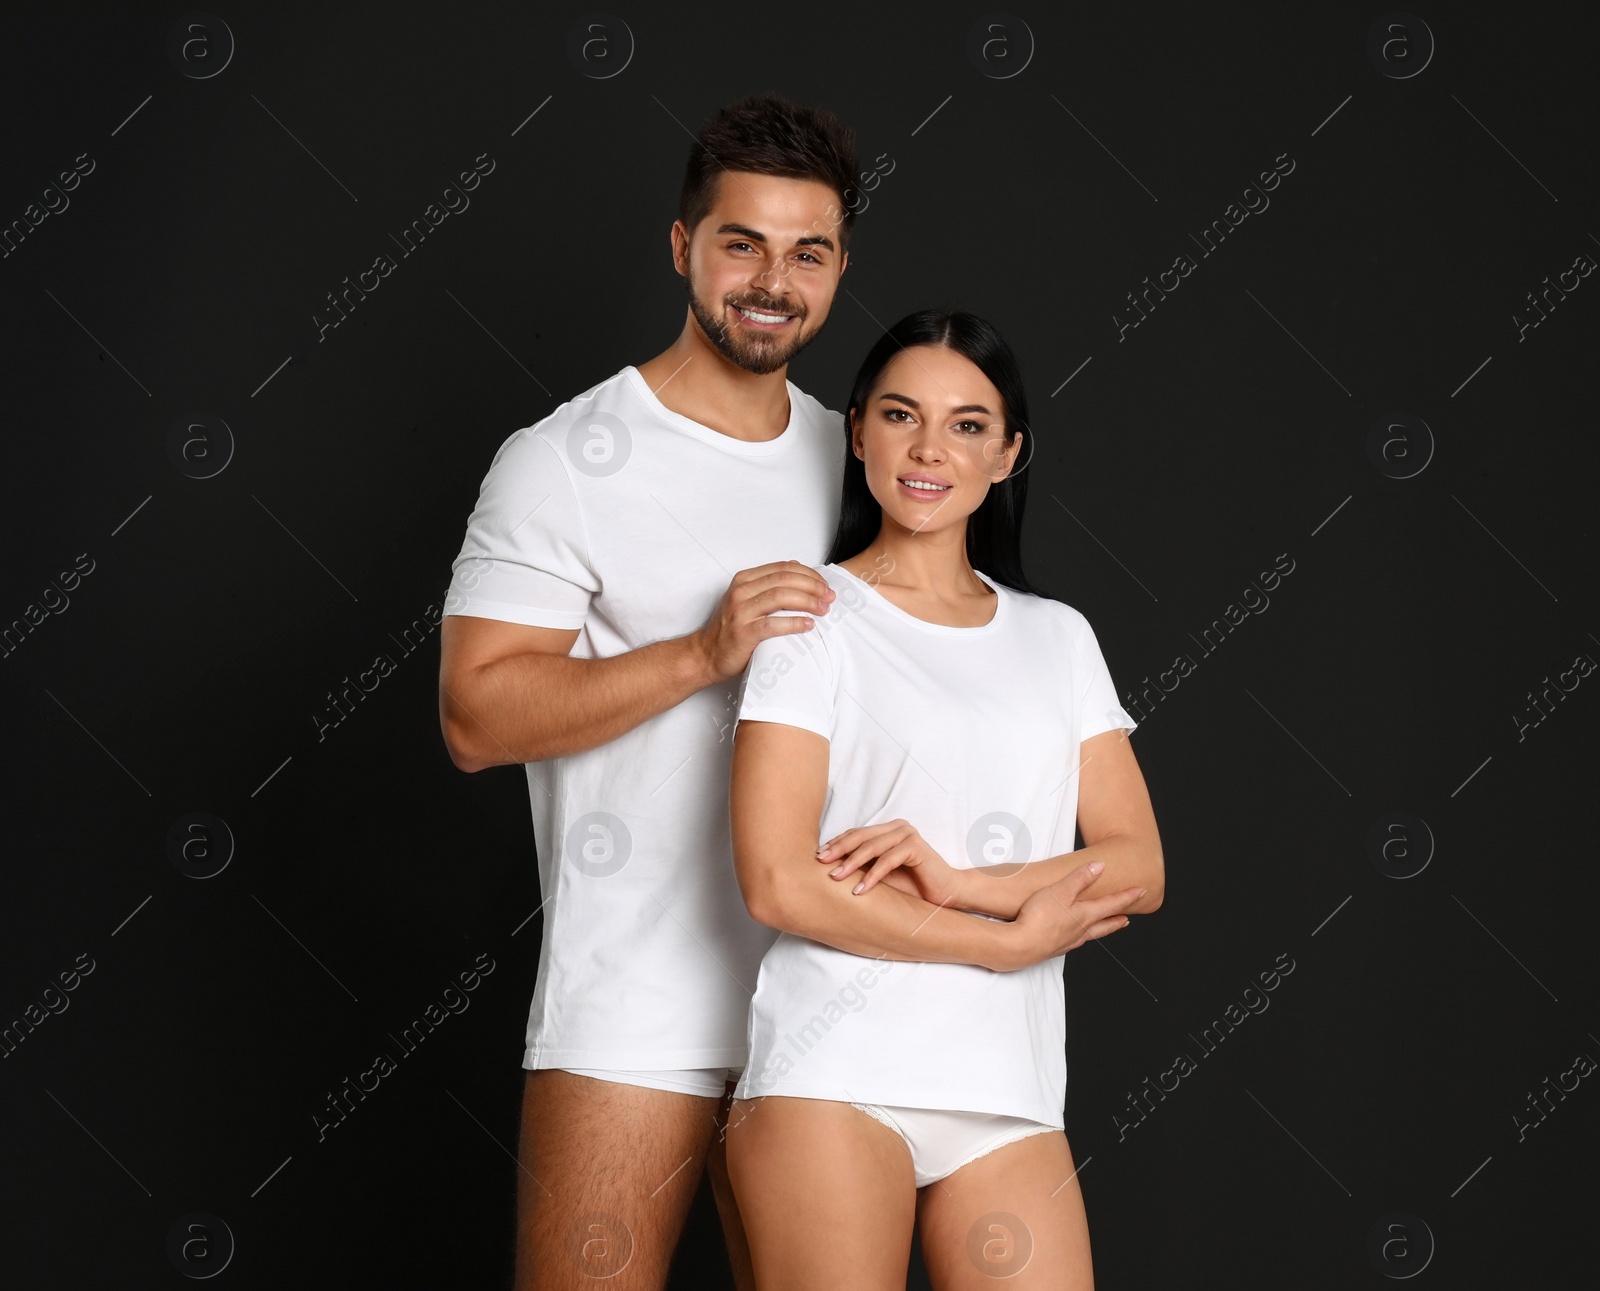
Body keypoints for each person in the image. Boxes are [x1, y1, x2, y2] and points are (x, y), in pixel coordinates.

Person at [437, 94, 862, 1290]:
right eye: (743, 243)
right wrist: (697, 652)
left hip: (834, 997)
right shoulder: (564, 459)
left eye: (808, 251)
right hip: (636, 1002)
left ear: (837, 269)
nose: (773, 280)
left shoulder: (871, 462)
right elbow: (475, 714)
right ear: (683, 247)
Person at [723, 309, 1165, 1290]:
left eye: (967, 424)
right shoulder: (810, 626)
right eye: (899, 415)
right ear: (856, 431)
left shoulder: (1059, 638)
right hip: (832, 1076)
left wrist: (963, 881)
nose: (929, 449)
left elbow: (1136, 867)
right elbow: (776, 882)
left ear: (1008, 453)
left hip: (1004, 1091)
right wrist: (998, 938)